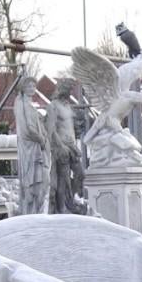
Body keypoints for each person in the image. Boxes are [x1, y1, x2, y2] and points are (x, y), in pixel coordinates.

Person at [47, 77, 85, 213]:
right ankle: (62, 208)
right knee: (63, 180)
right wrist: (60, 146)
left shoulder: (67, 105)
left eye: (71, 89)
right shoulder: (53, 106)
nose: (70, 92)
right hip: (61, 146)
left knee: (80, 174)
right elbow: (50, 130)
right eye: (68, 89)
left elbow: (70, 125)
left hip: (72, 146)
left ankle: (71, 200)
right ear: (62, 89)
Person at [14, 75, 50, 214]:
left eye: (34, 86)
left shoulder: (25, 104)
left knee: (36, 180)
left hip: (32, 146)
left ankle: (33, 210)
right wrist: (41, 139)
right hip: (32, 147)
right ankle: (32, 211)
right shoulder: (24, 105)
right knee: (35, 181)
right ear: (23, 88)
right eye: (29, 86)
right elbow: (29, 128)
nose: (32, 89)